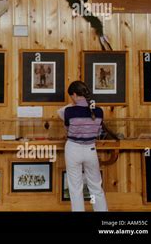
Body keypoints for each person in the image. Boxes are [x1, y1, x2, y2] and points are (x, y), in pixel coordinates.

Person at [58, 81, 108, 212]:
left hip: (73, 149)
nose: (72, 99)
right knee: (96, 187)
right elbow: (98, 132)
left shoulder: (69, 111)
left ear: (74, 94)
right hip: (90, 150)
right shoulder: (99, 111)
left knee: (75, 188)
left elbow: (68, 129)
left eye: (71, 97)